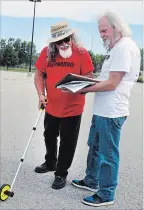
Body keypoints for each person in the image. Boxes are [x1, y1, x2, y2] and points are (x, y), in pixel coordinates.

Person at [70, 12, 141, 206]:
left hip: (112, 112)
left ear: (116, 27)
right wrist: (85, 82)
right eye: (99, 31)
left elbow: (112, 83)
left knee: (108, 153)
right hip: (103, 110)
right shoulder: (115, 47)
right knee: (95, 146)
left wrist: (84, 89)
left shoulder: (124, 48)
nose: (101, 34)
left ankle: (106, 193)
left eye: (104, 30)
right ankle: (91, 180)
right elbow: (106, 79)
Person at [34, 21, 94, 190]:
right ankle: (50, 162)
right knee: (49, 136)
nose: (64, 44)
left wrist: (78, 86)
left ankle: (61, 173)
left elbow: (89, 77)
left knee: (68, 142)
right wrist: (41, 94)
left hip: (72, 108)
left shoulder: (82, 53)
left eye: (66, 39)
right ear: (53, 42)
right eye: (59, 41)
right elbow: (39, 75)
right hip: (51, 106)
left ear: (71, 36)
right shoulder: (47, 52)